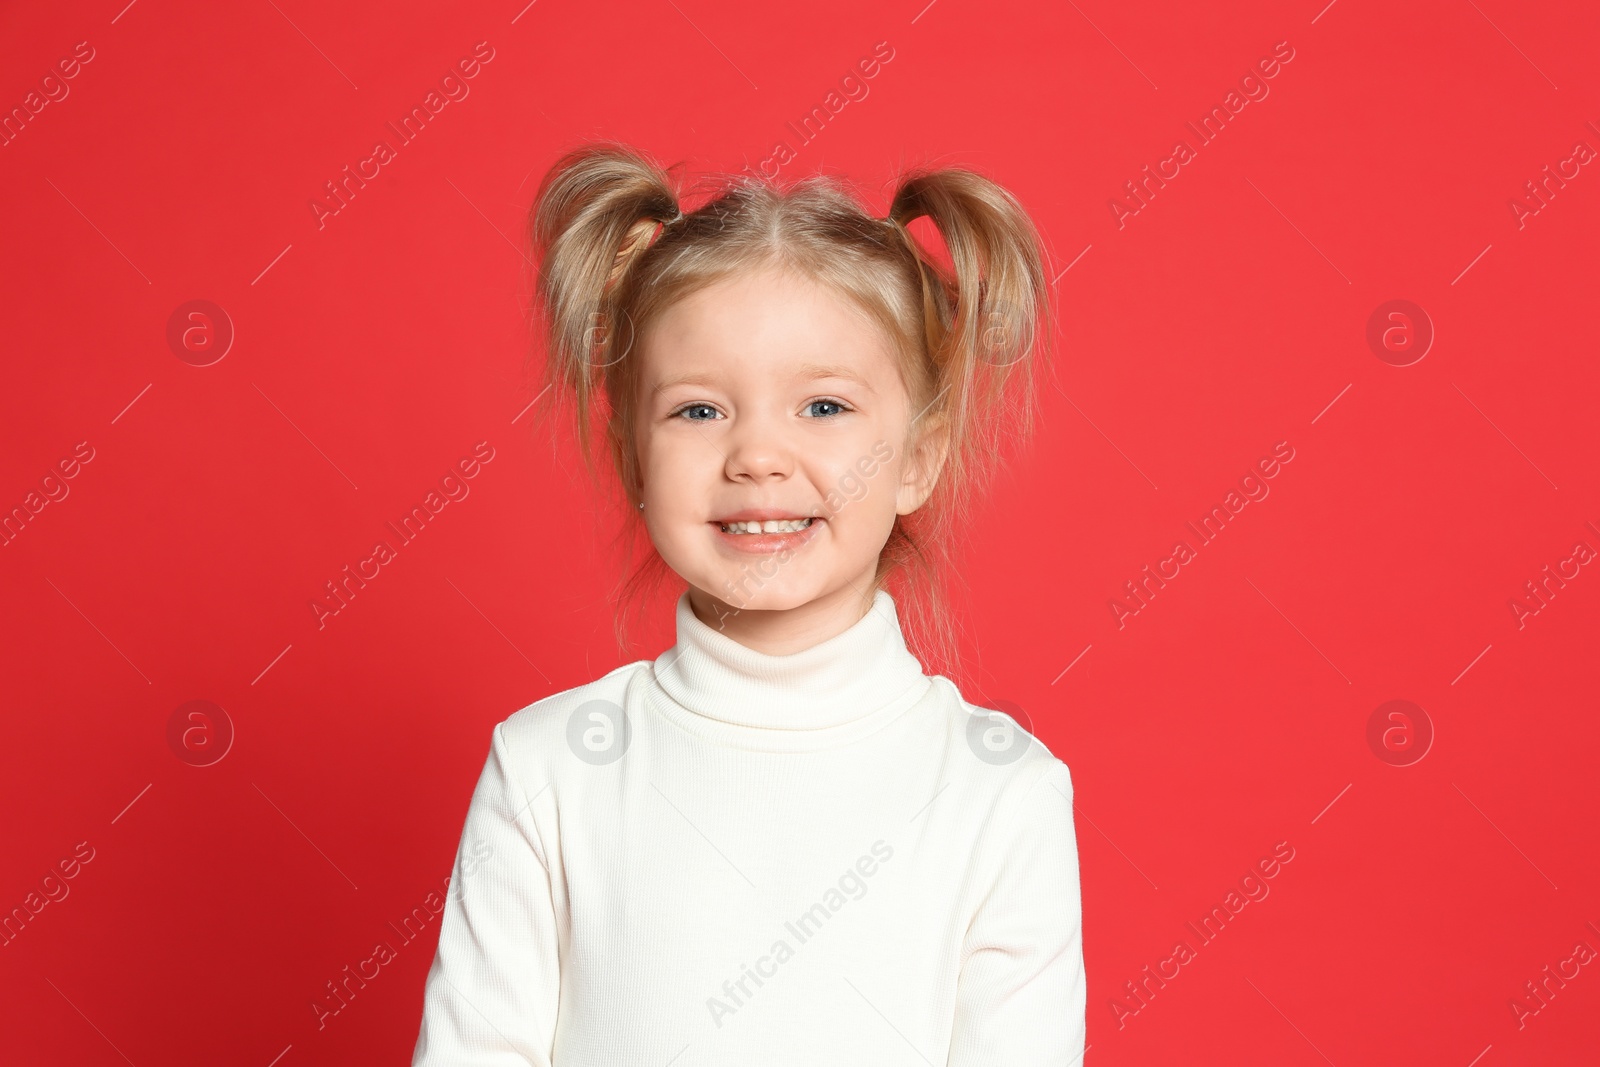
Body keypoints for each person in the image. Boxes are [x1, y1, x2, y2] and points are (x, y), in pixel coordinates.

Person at [412, 141, 1085, 1065]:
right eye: (698, 410)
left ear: (920, 455)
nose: (758, 456)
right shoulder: (546, 772)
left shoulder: (1000, 792)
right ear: (632, 459)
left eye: (823, 407)